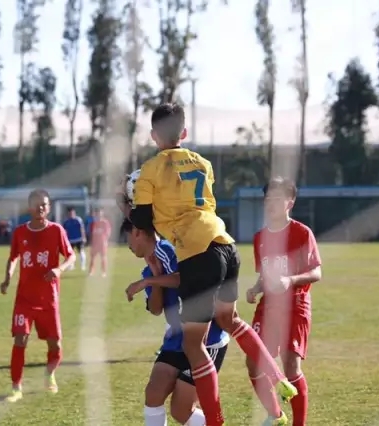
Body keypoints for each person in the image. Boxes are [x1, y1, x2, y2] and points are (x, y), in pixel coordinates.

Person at [125, 103, 296, 426]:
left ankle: (215, 422)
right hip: (225, 245)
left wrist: (128, 204)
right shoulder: (203, 163)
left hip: (197, 254)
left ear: (153, 135)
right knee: (231, 319)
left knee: (194, 345)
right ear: (184, 132)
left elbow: (143, 221)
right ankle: (279, 378)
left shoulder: (150, 169)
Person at [122, 219, 228, 426]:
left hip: (205, 339)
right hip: (176, 340)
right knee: (153, 393)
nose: (127, 245)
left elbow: (185, 279)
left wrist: (148, 281)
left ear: (137, 232)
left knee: (181, 411)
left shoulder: (167, 250)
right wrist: (154, 278)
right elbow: (155, 309)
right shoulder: (149, 269)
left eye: (127, 238)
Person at [246, 177, 322, 426]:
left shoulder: (302, 233)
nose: (271, 204)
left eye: (277, 199)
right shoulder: (260, 237)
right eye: (268, 199)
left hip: (296, 305)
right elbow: (265, 275)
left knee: (291, 367)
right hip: (267, 306)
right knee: (254, 362)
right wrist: (255, 288)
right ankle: (276, 415)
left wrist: (291, 280)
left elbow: (316, 272)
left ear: (290, 202)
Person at [0, 189, 76, 402]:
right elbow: (13, 257)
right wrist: (7, 278)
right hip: (24, 299)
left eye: (44, 204)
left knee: (55, 345)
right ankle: (16, 387)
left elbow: (71, 256)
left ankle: (50, 373)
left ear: (48, 207)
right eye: (36, 204)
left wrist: (59, 269)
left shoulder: (56, 231)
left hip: (48, 299)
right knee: (20, 339)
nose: (40, 207)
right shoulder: (20, 232)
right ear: (29, 207)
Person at [88, 208, 111, 277]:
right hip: (95, 244)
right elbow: (91, 233)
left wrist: (105, 240)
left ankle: (104, 272)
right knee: (92, 258)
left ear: (102, 214)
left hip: (102, 243)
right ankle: (91, 271)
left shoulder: (105, 223)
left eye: (99, 214)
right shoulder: (93, 223)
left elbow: (108, 232)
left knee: (103, 257)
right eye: (97, 214)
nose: (98, 215)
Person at [62, 207, 86, 271]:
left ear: (74, 213)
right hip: (70, 240)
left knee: (81, 252)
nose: (71, 214)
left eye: (72, 213)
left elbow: (82, 229)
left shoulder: (78, 220)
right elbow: (64, 232)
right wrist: (65, 240)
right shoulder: (66, 222)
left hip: (79, 239)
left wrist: (83, 237)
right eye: (70, 213)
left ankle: (83, 266)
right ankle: (71, 266)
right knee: (70, 254)